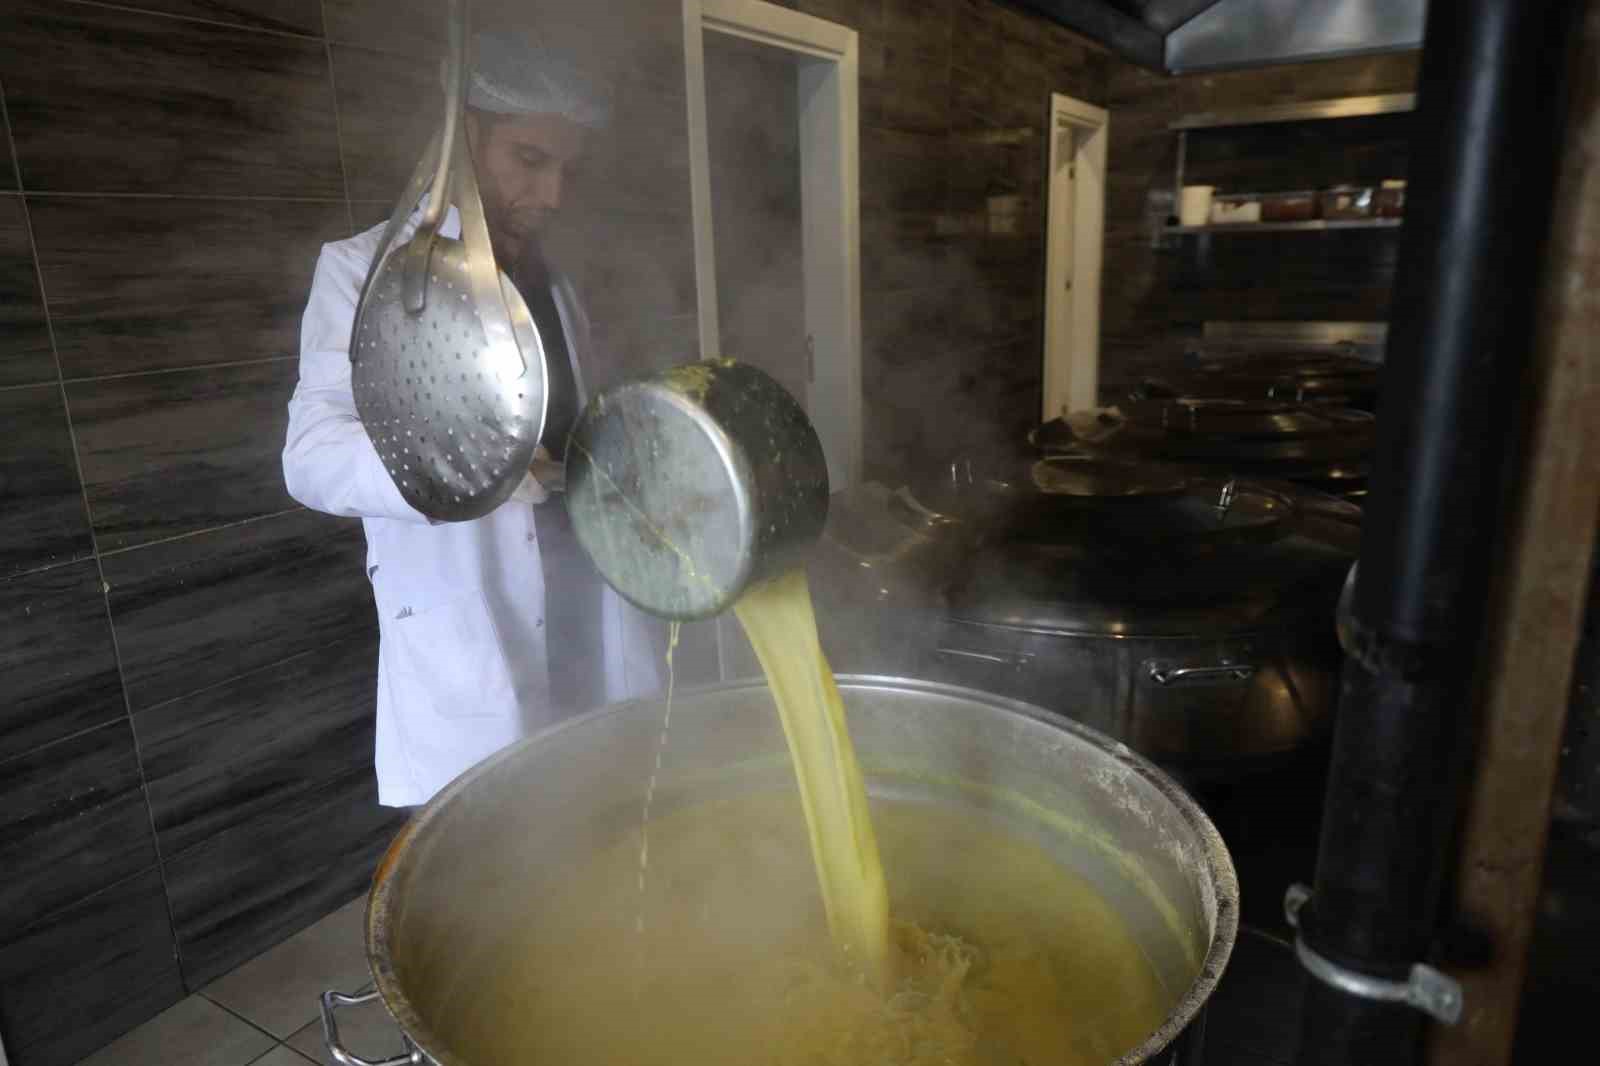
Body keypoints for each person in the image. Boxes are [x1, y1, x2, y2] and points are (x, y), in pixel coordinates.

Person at [283, 32, 664, 808]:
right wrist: (469, 473)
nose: (553, 194)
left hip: (587, 622)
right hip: (473, 638)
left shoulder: (555, 287)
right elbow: (313, 456)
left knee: (602, 829)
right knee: (496, 862)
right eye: (531, 160)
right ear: (462, 142)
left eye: (566, 169)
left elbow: (572, 439)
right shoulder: (366, 273)